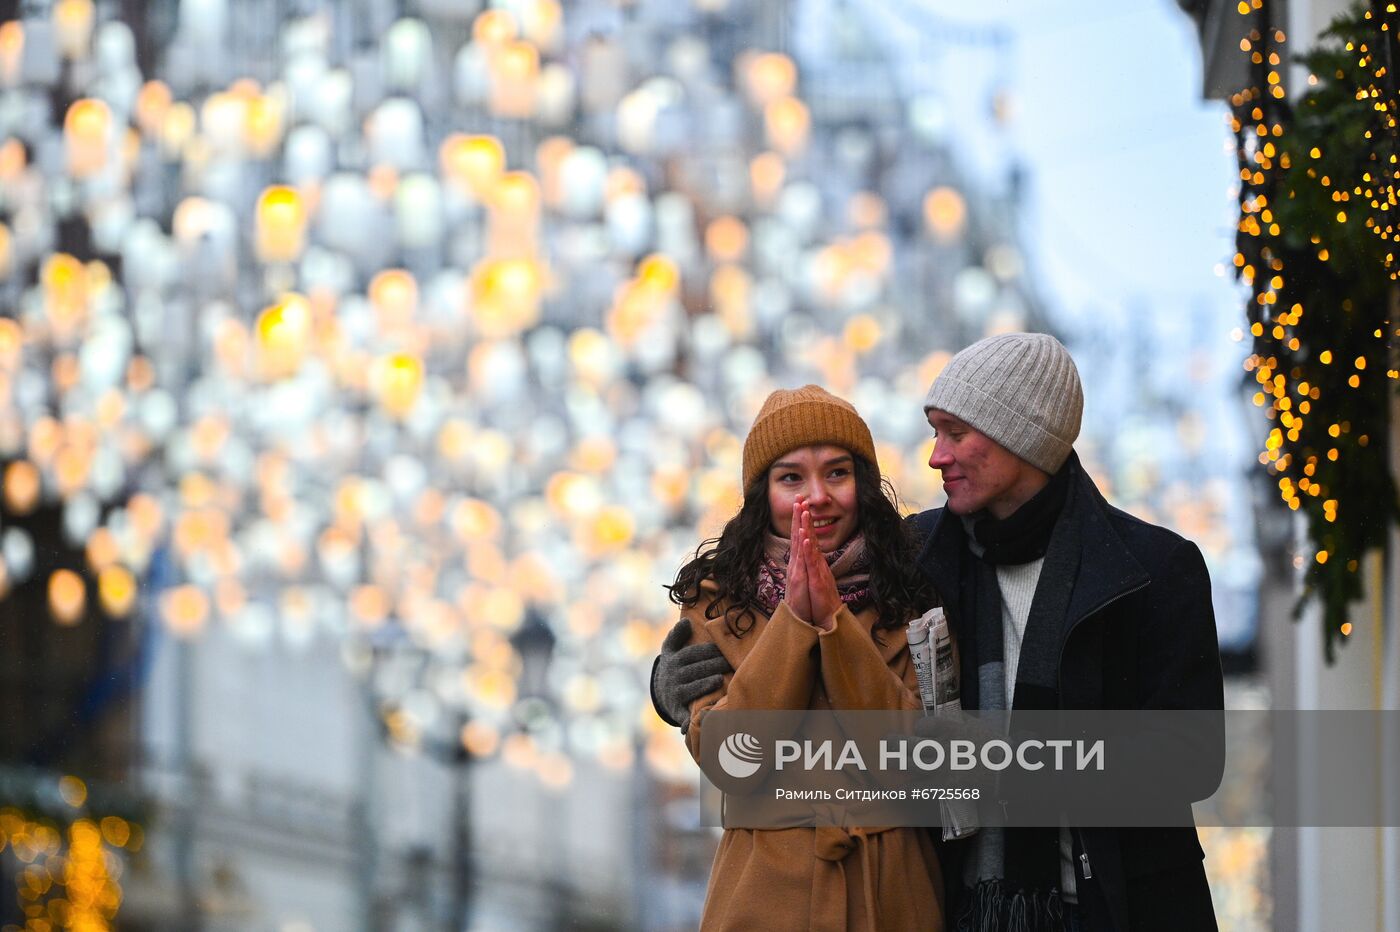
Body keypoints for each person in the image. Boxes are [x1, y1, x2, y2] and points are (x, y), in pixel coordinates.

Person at [655, 334, 1224, 932]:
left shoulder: (1152, 571)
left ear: (1019, 436)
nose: (935, 457)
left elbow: (1191, 760)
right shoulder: (919, 555)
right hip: (963, 905)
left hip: (1114, 906)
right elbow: (766, 609)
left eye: (956, 433)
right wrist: (668, 686)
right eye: (935, 432)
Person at [663, 384, 946, 932]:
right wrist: (794, 622)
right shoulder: (713, 600)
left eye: (837, 473)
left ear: (861, 486)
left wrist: (835, 626)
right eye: (791, 477)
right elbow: (729, 762)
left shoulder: (914, 593)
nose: (817, 495)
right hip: (762, 894)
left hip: (892, 892)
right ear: (761, 494)